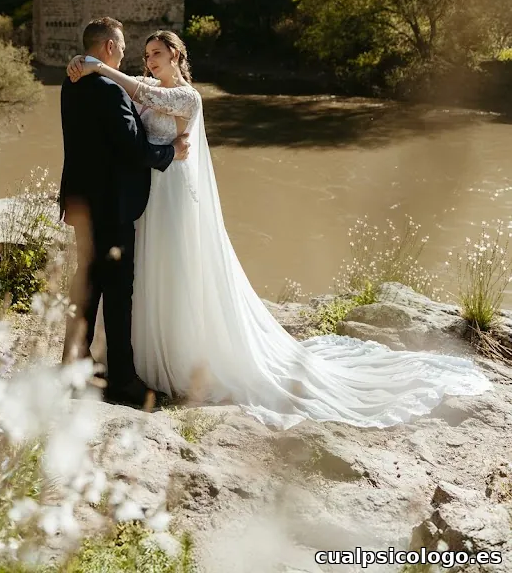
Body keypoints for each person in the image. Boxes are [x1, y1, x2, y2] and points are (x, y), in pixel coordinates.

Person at [65, 30, 492, 429]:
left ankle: (175, 358)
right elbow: (127, 97)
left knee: (172, 268)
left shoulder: (187, 96)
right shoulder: (146, 83)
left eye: (157, 53)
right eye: (147, 55)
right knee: (144, 274)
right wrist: (83, 63)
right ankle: (136, 360)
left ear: (176, 56)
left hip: (172, 191)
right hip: (148, 191)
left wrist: (97, 65)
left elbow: (134, 91)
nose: (150, 59)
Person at [59, 17, 189, 408]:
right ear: (111, 48)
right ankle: (122, 381)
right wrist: (170, 153)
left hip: (81, 202)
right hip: (112, 206)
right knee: (118, 292)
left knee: (88, 283)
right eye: (125, 47)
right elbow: (133, 148)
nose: (130, 53)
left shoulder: (72, 81)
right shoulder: (109, 90)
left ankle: (75, 364)